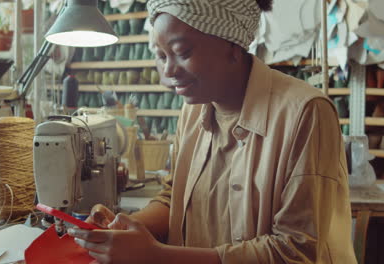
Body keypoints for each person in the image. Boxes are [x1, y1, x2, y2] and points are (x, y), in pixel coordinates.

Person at [67, 0, 357, 263]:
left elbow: (294, 252)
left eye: (181, 53)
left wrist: (156, 255)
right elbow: (175, 197)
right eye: (160, 54)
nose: (168, 70)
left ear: (232, 47)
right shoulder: (193, 111)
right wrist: (124, 229)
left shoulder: (305, 113)